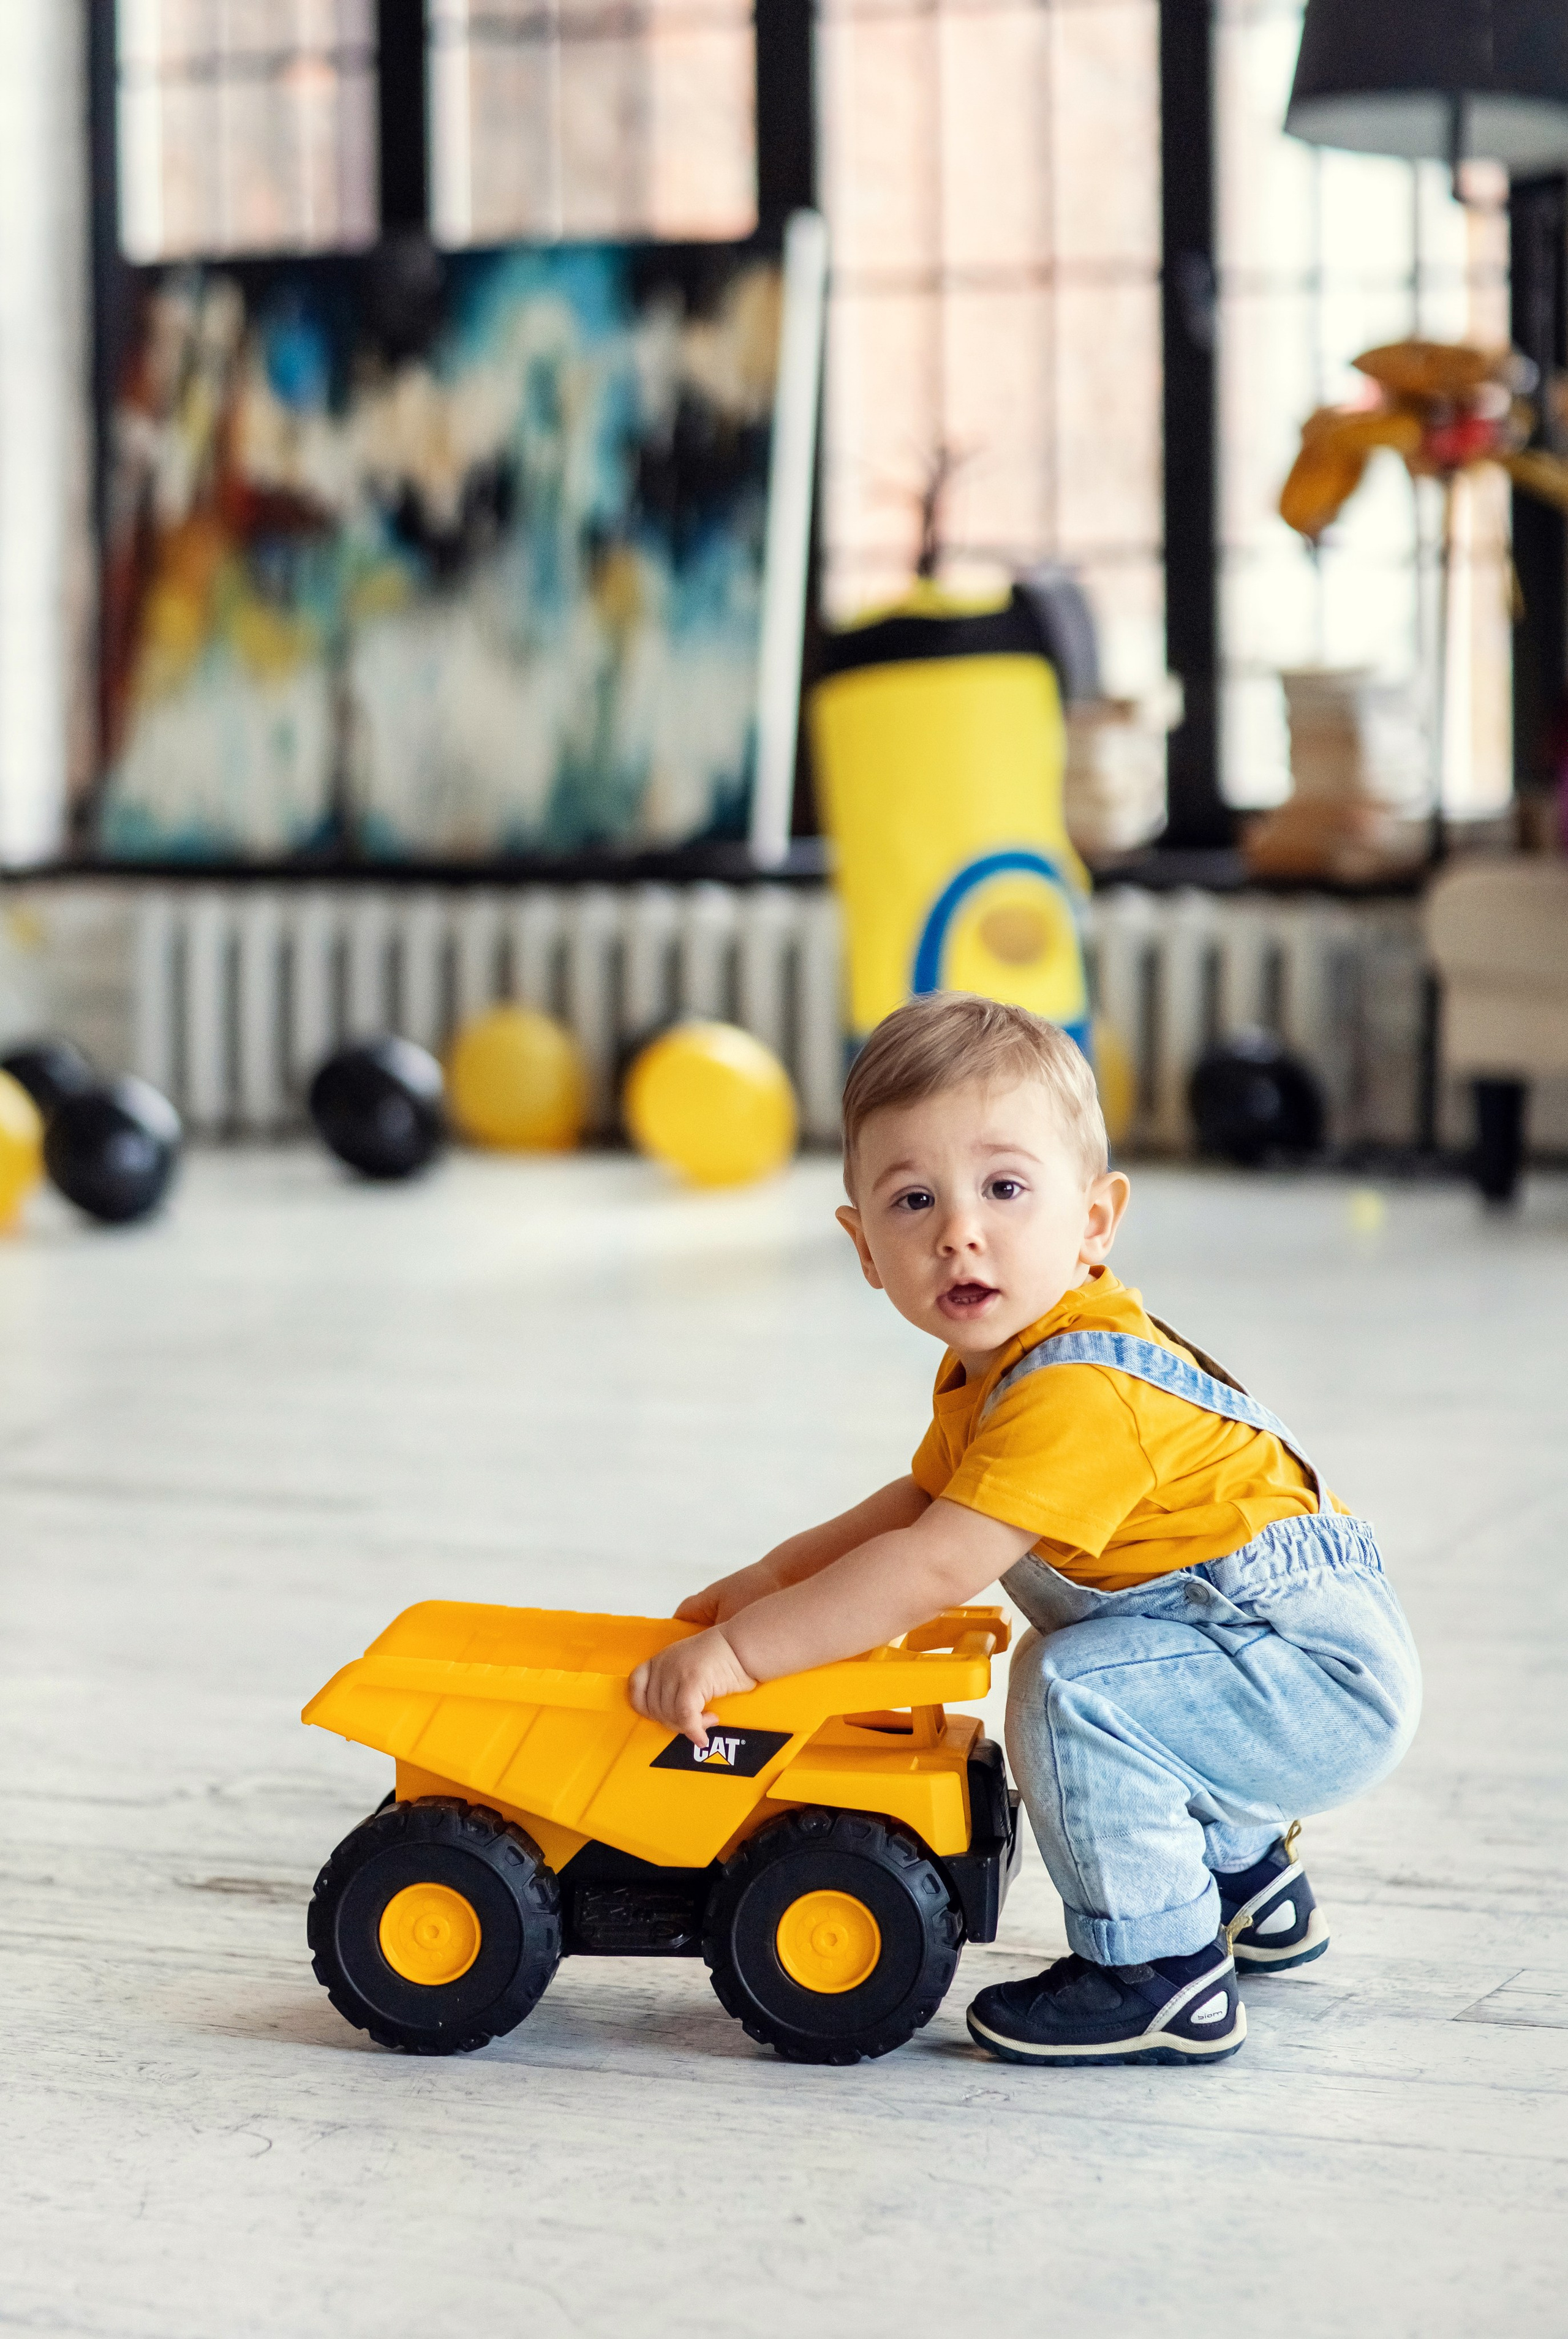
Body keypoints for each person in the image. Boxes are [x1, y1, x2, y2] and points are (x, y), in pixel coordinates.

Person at [630, 992, 1420, 2066]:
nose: (961, 1231)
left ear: (1094, 1222)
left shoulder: (1077, 1388)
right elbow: (911, 1507)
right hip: (1267, 1663)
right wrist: (770, 1579)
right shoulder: (994, 1370)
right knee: (1129, 1669)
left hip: (1313, 1680)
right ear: (864, 1246)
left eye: (1005, 1188)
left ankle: (1161, 1973)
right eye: (914, 1201)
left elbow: (934, 1563)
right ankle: (1249, 1887)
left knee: (1073, 1687)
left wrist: (738, 1653)